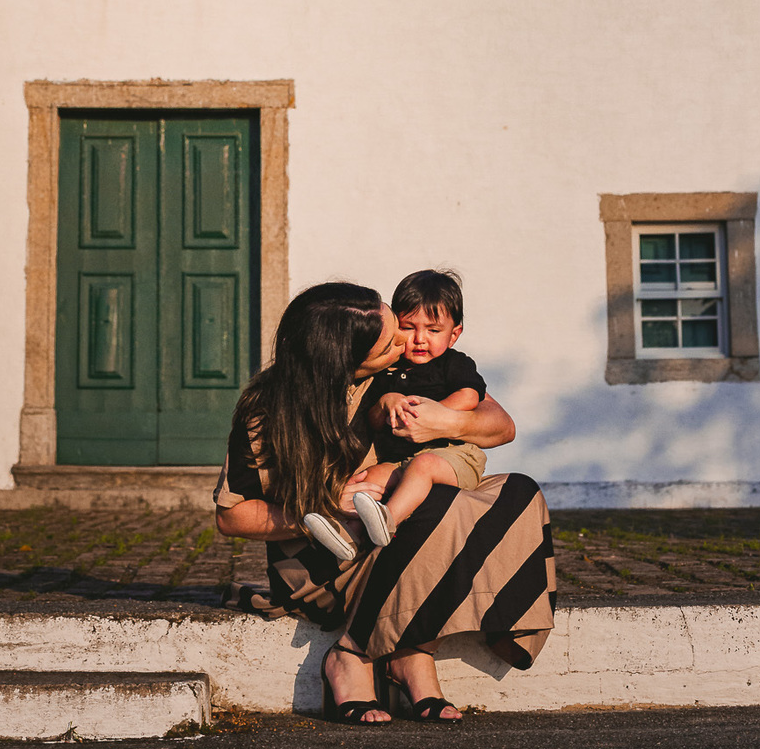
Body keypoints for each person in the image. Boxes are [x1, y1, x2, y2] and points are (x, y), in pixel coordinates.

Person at [214, 281, 555, 725]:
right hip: (327, 559)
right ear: (345, 359)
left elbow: (501, 425)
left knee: (517, 492)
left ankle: (410, 649)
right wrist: (323, 506)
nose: (404, 343)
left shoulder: (400, 372)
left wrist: (446, 422)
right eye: (391, 341)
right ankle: (357, 654)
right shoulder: (266, 410)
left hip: (397, 533)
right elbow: (231, 517)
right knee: (438, 504)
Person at [351, 268, 489, 548]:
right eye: (408, 327)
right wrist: (386, 402)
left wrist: (433, 414)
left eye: (433, 330)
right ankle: (347, 534)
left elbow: (469, 396)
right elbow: (373, 419)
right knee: (368, 478)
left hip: (453, 455)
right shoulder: (387, 370)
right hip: (400, 460)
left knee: (423, 466)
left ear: (454, 334)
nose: (420, 339)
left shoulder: (454, 363)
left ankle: (387, 522)